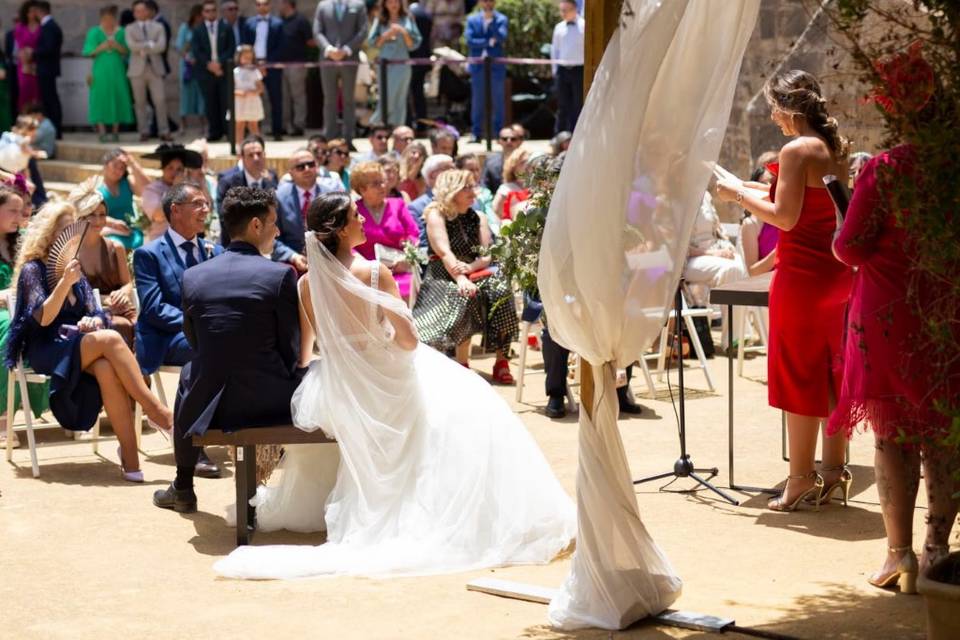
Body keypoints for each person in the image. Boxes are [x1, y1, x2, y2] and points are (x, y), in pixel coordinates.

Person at [212, 191, 575, 578]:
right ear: (339, 228)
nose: (363, 221)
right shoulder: (374, 272)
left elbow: (305, 353)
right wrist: (378, 341)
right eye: (356, 215)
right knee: (473, 400)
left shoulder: (305, 284)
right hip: (385, 377)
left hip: (338, 387)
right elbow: (408, 342)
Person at [716, 69, 854, 512]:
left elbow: (785, 216)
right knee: (833, 371)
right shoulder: (833, 147)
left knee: (799, 372)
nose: (773, 117)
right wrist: (746, 188)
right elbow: (803, 200)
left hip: (802, 278)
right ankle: (834, 472)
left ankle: (799, 479)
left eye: (775, 108)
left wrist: (737, 197)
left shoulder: (796, 149)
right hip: (835, 276)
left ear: (790, 107)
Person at [829, 142, 960, 594]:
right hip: (948, 310)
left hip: (889, 312)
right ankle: (937, 551)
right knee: (944, 433)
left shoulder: (886, 168)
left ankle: (898, 553)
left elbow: (850, 246)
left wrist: (838, 231)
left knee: (893, 431)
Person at [153, 186, 302, 513]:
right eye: (274, 223)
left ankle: (183, 484)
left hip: (211, 409)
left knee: (191, 372)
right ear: (256, 226)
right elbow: (290, 348)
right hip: (272, 404)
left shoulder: (193, 277)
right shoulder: (280, 275)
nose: (278, 231)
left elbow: (195, 342)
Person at [6, 201, 173, 481]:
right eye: (64, 230)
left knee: (107, 365)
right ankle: (156, 410)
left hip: (79, 344)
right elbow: (43, 320)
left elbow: (95, 312)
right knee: (109, 339)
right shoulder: (33, 270)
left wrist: (94, 320)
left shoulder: (74, 266)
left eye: (74, 230)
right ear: (49, 234)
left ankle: (130, 459)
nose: (71, 237)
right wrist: (63, 284)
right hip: (46, 347)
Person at [413, 169, 517, 381]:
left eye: (473, 186)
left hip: (476, 269)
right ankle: (462, 364)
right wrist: (461, 278)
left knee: (502, 291)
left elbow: (487, 255)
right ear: (452, 190)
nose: (473, 192)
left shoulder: (478, 217)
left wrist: (470, 269)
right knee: (465, 295)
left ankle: (501, 361)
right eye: (467, 187)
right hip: (443, 273)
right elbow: (444, 252)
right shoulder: (436, 214)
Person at [0, 185, 46, 449]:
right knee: (10, 326)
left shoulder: (23, 242)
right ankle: (2, 417)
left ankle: (70, 408)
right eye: (12, 211)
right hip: (2, 313)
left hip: (20, 310)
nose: (20, 216)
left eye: (22, 210)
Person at [69, 189, 137, 348]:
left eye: (102, 214)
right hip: (83, 314)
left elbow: (127, 283)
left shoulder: (116, 247)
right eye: (92, 214)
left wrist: (122, 293)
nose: (98, 220)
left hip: (118, 311)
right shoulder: (70, 252)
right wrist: (104, 299)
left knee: (133, 326)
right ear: (81, 216)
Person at [352, 161, 420, 298]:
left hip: (400, 270)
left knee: (405, 292)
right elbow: (348, 244)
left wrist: (407, 258)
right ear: (362, 189)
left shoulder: (398, 205)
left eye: (383, 181)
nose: (383, 186)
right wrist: (365, 266)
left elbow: (414, 234)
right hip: (367, 274)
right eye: (375, 183)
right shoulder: (353, 210)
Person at [314, 0, 368, 144]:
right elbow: (317, 31)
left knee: (349, 100)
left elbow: (363, 30)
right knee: (329, 99)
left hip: (350, 58)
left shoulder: (358, 5)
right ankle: (330, 138)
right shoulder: (323, 6)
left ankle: (348, 139)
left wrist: (347, 50)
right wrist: (328, 49)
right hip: (328, 59)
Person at [367, 0, 421, 128]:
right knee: (387, 97)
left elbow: (413, 45)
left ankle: (398, 129)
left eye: (396, 1)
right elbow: (373, 43)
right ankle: (376, 124)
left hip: (402, 63)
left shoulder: (407, 19)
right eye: (390, 1)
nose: (393, 4)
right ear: (385, 4)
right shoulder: (380, 20)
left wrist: (403, 32)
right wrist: (387, 35)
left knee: (400, 99)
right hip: (385, 65)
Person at [273, 148, 328, 272]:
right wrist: (293, 256)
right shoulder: (279, 198)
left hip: (328, 261)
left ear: (317, 166)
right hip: (292, 263)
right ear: (291, 173)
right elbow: (271, 237)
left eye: (311, 164)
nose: (307, 169)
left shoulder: (330, 195)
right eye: (300, 166)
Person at [215, 135, 278, 242]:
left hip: (270, 243)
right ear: (242, 158)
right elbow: (224, 218)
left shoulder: (271, 179)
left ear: (265, 155)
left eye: (259, 154)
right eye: (251, 155)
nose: (256, 159)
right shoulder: (228, 183)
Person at [125, 0, 171, 143]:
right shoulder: (129, 28)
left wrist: (143, 47)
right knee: (140, 103)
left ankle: (164, 130)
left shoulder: (158, 27)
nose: (140, 13)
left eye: (142, 10)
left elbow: (161, 46)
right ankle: (143, 131)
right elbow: (131, 46)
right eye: (137, 11)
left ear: (148, 11)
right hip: (137, 70)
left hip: (155, 69)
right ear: (134, 13)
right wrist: (149, 44)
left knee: (160, 100)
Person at [192, 0, 236, 142]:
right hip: (206, 72)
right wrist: (209, 64)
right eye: (207, 11)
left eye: (213, 10)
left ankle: (228, 131)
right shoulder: (198, 30)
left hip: (223, 71)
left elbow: (231, 48)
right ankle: (214, 131)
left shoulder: (226, 27)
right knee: (210, 103)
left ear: (216, 12)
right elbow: (196, 51)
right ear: (203, 13)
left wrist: (219, 64)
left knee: (226, 102)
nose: (210, 13)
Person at [141, 143, 202, 242]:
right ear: (163, 169)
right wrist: (174, 188)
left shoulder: (190, 189)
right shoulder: (151, 190)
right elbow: (158, 216)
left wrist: (201, 180)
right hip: (161, 241)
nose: (175, 173)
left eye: (179, 169)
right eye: (170, 168)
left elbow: (205, 210)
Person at [465, 0, 507, 142]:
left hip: (495, 67)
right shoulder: (472, 19)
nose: (488, 3)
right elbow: (470, 41)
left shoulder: (501, 19)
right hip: (478, 66)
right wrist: (489, 41)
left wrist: (491, 23)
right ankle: (476, 133)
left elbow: (501, 38)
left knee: (498, 100)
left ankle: (499, 133)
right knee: (477, 101)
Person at [242, 0, 284, 141]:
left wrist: (266, 64)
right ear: (255, 6)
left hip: (271, 66)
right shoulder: (249, 23)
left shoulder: (278, 23)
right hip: (252, 67)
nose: (262, 7)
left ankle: (277, 131)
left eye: (265, 3)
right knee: (253, 99)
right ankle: (255, 134)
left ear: (269, 5)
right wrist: (254, 63)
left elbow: (281, 46)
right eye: (259, 4)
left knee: (275, 99)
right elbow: (245, 45)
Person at [98, 148, 151, 250]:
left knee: (138, 241)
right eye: (115, 166)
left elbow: (148, 189)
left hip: (131, 231)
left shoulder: (127, 182)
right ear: (106, 164)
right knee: (115, 245)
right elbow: (92, 216)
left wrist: (132, 164)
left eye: (122, 168)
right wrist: (113, 223)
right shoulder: (97, 187)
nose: (118, 170)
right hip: (108, 231)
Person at [277, 0, 315, 137]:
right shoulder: (280, 21)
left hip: (297, 64)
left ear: (288, 3)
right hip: (281, 65)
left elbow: (311, 42)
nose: (279, 6)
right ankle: (285, 126)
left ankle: (299, 125)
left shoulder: (301, 21)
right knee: (284, 97)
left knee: (298, 96)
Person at [740, 150, 779, 277]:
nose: (768, 187)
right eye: (763, 184)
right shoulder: (751, 224)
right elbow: (753, 271)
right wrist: (781, 250)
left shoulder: (787, 215)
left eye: (773, 182)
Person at [550, 0, 584, 134]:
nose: (563, 13)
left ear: (574, 9)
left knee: (578, 104)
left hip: (579, 69)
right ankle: (559, 135)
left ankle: (576, 134)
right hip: (563, 70)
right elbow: (555, 50)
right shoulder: (559, 27)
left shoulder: (584, 25)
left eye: (566, 10)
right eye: (561, 10)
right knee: (562, 105)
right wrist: (554, 70)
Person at [407, 152, 453, 244]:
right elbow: (421, 243)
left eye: (454, 168)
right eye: (447, 168)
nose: (454, 173)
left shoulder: (468, 201)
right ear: (432, 175)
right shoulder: (416, 208)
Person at [175, 4, 207, 133]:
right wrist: (188, 55)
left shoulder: (205, 28)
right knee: (186, 96)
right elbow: (179, 47)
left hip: (200, 65)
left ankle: (204, 125)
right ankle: (183, 126)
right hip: (187, 66)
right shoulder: (185, 28)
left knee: (201, 96)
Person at [32, 1, 61, 138]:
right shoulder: (49, 26)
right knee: (49, 100)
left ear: (39, 11)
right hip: (46, 69)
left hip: (47, 69)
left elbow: (48, 48)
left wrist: (33, 53)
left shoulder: (49, 27)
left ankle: (55, 131)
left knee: (50, 100)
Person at [455, 152, 496, 233]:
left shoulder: (485, 192)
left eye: (477, 169)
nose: (475, 174)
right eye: (471, 170)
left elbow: (491, 215)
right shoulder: (456, 194)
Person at [406, 1, 431, 130]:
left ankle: (409, 123)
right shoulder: (426, 13)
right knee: (419, 93)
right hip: (424, 58)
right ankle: (422, 126)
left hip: (411, 59)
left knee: (408, 93)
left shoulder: (409, 14)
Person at [232, 45, 264, 142]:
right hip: (239, 102)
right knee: (239, 126)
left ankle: (257, 145)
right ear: (239, 57)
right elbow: (231, 89)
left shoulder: (255, 71)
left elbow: (260, 88)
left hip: (252, 101)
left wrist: (253, 92)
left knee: (253, 125)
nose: (247, 60)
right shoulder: (235, 72)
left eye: (249, 58)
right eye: (245, 58)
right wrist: (239, 93)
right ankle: (239, 148)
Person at [491, 146, 531, 221]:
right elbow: (495, 211)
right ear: (513, 167)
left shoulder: (536, 186)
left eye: (528, 162)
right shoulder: (506, 188)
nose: (527, 165)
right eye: (522, 162)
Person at [12, 1, 39, 111]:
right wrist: (26, 64)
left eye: (35, 11)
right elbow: (20, 48)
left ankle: (38, 122)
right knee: (25, 92)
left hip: (38, 65)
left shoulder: (41, 27)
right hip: (24, 66)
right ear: (26, 13)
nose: (33, 14)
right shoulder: (20, 28)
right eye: (30, 11)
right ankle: (24, 122)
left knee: (38, 94)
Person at [481, 125, 522, 193]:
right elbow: (484, 184)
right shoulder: (490, 161)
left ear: (519, 141)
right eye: (505, 139)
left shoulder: (526, 161)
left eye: (513, 139)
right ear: (499, 141)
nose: (509, 141)